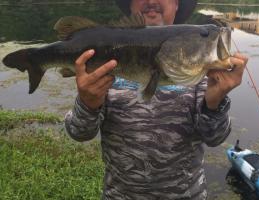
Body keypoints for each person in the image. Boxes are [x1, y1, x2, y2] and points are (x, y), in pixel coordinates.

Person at [65, 0, 248, 199]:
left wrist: (214, 104)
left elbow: (215, 138)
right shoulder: (103, 68)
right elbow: (79, 132)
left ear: (177, 4)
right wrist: (88, 104)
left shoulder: (203, 74)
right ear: (130, 5)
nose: (151, 1)